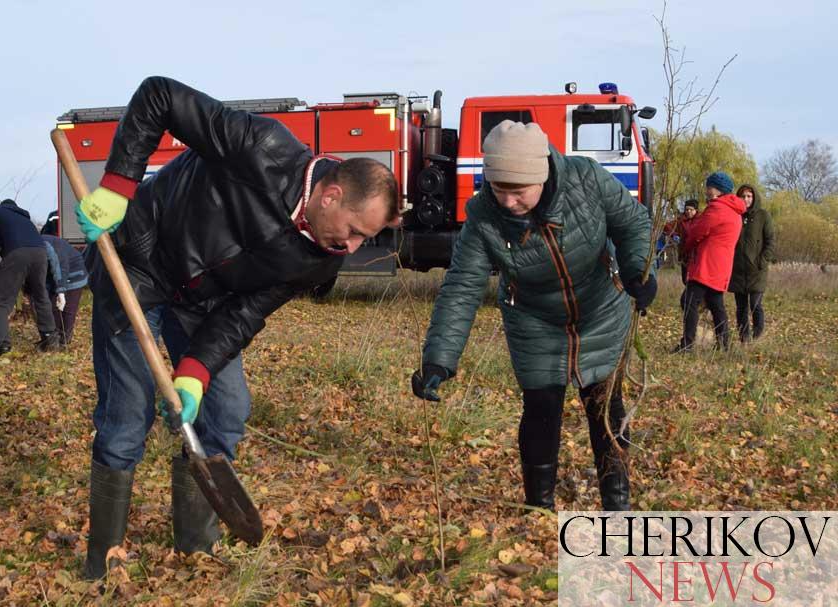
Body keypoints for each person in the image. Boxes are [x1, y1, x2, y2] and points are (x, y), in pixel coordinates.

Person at [75, 76, 399, 578]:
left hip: (204, 301)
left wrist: (196, 369)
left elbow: (247, 311)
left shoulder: (322, 259)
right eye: (355, 232)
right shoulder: (263, 147)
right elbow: (158, 96)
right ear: (330, 196)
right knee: (126, 417)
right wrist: (119, 186)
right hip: (139, 263)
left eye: (366, 238)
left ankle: (196, 546)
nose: (354, 248)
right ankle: (103, 559)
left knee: (225, 411)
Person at [411, 121, 655, 513]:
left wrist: (638, 270)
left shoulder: (587, 181)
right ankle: (538, 505)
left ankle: (617, 501)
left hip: (600, 314)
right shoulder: (484, 217)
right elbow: (462, 286)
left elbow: (634, 223)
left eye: (517, 190)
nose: (507, 201)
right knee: (541, 410)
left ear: (541, 176)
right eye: (498, 188)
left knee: (605, 409)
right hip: (535, 323)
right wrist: (439, 357)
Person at [0, 198, 61, 356]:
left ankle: (2, 343)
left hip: (16, 253)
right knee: (40, 295)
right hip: (40, 252)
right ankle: (49, 336)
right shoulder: (25, 217)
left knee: (1, 300)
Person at [675, 172, 746, 352]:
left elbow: (697, 232)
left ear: (717, 189)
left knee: (689, 301)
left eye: (709, 187)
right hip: (722, 266)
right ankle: (724, 345)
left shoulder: (717, 208)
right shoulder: (736, 212)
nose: (706, 191)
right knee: (716, 305)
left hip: (706, 264)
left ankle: (687, 344)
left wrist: (685, 249)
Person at [728, 185, 775, 342]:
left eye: (749, 196)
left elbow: (770, 242)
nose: (746, 199)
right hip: (738, 271)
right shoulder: (734, 215)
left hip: (757, 271)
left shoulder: (763, 216)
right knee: (741, 307)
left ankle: (757, 337)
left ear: (754, 198)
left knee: (755, 305)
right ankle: (744, 339)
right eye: (743, 196)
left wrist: (761, 261)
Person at [42, 233, 87, 345]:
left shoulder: (50, 245)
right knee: (53, 308)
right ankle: (55, 339)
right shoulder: (33, 246)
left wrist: (61, 291)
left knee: (68, 309)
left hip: (75, 274)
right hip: (55, 277)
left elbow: (61, 267)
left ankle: (65, 341)